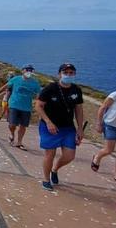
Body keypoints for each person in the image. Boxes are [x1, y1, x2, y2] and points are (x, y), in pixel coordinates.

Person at [36, 62, 85, 191]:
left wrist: (80, 128)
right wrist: (48, 122)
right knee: (50, 154)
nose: (68, 75)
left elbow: (79, 109)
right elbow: (38, 106)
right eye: (65, 72)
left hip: (68, 127)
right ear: (59, 74)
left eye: (71, 73)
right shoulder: (50, 88)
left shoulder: (76, 90)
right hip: (49, 127)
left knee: (70, 155)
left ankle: (55, 169)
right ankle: (46, 179)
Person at [0, 64, 42, 148]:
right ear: (22, 70)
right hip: (14, 105)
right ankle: (12, 134)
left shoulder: (35, 83)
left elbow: (39, 95)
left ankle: (19, 142)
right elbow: (6, 86)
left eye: (31, 70)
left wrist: (40, 104)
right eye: (27, 70)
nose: (29, 72)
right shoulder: (16, 79)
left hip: (26, 107)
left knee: (23, 126)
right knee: (12, 125)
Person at [91, 81, 116, 186]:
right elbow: (103, 108)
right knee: (109, 150)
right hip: (111, 125)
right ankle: (97, 157)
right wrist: (99, 123)